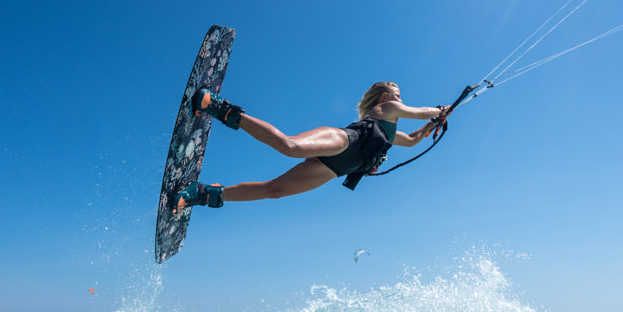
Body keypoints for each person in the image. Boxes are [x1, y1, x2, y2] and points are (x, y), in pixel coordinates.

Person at [175, 81, 450, 210]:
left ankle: (202, 193)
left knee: (276, 191)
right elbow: (420, 111)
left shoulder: (391, 133)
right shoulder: (388, 108)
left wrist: (434, 124)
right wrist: (437, 110)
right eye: (396, 94)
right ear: (383, 96)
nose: (399, 99)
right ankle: (218, 107)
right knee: (289, 146)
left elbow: (413, 141)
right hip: (345, 142)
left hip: (336, 169)